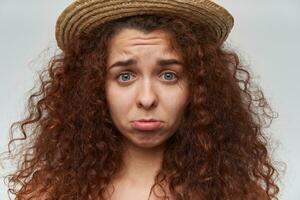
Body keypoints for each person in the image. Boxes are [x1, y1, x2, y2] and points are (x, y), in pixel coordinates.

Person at [3, 0, 280, 199]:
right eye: (125, 76)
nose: (147, 99)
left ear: (198, 87)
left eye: (168, 75)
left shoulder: (239, 195)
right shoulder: (48, 195)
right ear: (95, 88)